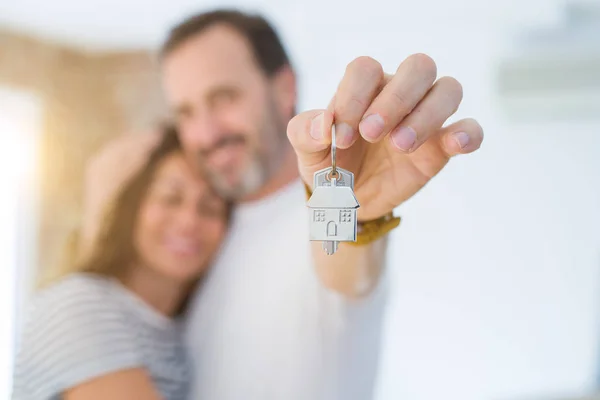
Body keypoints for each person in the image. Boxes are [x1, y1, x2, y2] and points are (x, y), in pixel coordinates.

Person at [159, 9, 484, 400]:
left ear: (283, 89)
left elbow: (347, 273)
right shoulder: (199, 236)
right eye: (187, 112)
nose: (206, 133)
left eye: (223, 98)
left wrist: (354, 210)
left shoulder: (321, 215)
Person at [11, 126, 229, 400]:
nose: (189, 221)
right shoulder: (79, 305)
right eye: (170, 198)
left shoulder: (182, 330)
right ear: (130, 207)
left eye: (210, 208)